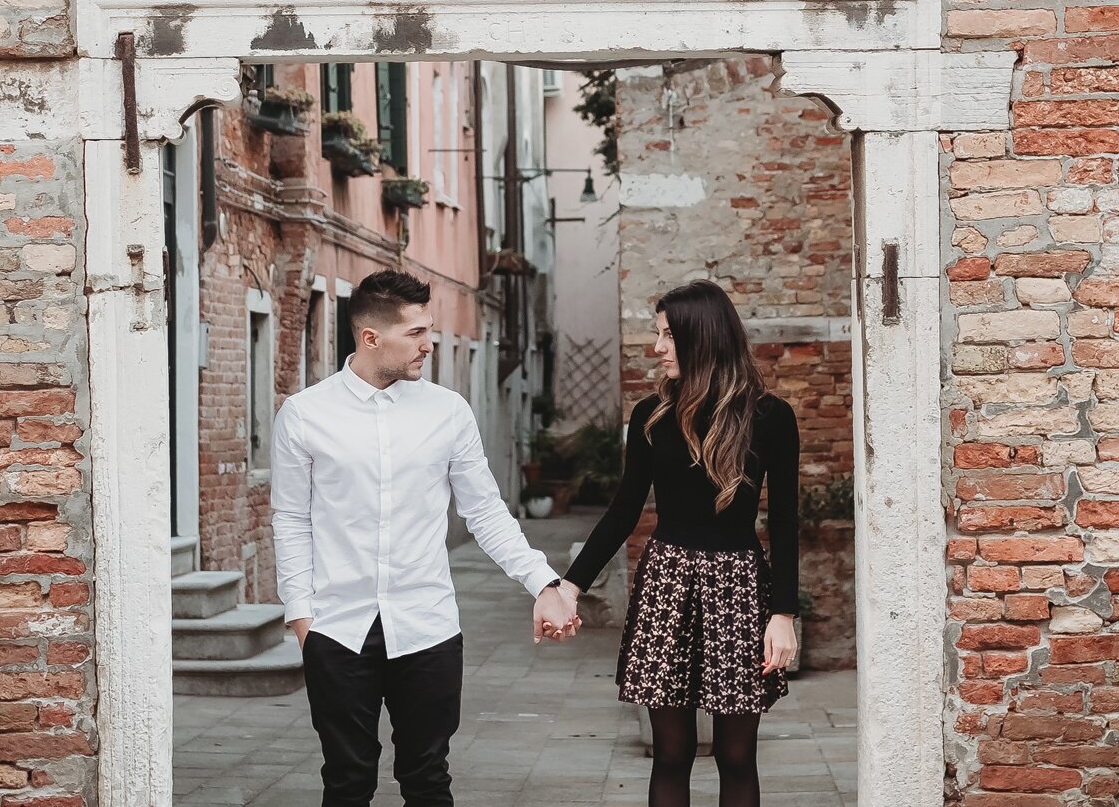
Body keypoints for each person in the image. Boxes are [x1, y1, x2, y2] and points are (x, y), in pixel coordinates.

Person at [269, 269, 583, 807]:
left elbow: (485, 511)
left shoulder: (448, 411)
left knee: (428, 778)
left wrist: (544, 582)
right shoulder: (304, 415)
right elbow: (291, 518)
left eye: (429, 330)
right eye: (416, 333)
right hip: (338, 627)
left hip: (427, 626)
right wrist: (302, 618)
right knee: (346, 780)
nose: (428, 344)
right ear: (372, 338)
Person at [561, 279, 800, 807]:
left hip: (740, 587)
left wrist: (783, 612)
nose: (657, 347)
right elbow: (625, 511)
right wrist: (570, 585)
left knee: (737, 757)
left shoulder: (770, 417)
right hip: (668, 583)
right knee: (671, 753)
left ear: (701, 338)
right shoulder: (651, 416)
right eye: (658, 334)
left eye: (667, 334)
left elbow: (784, 520)